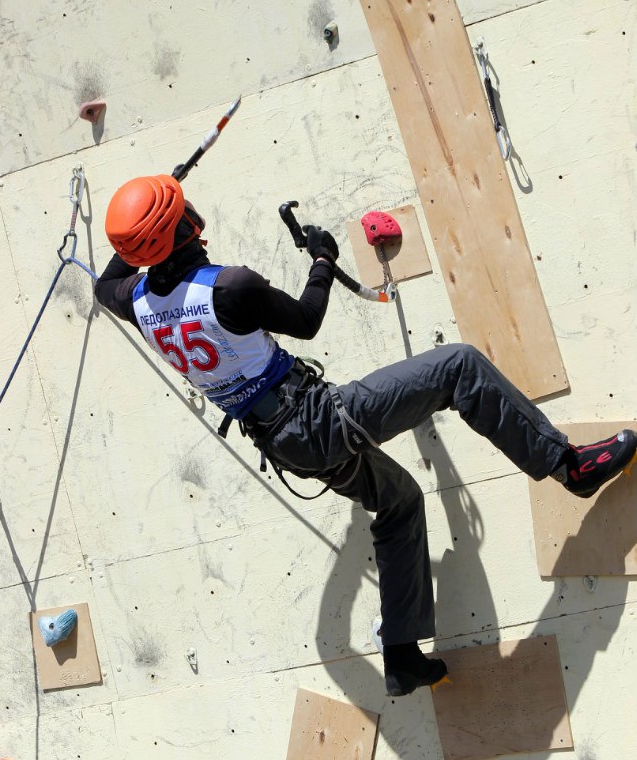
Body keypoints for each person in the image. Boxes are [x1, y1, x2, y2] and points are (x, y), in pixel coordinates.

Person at [95, 174, 637, 697]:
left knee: (400, 504)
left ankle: (401, 655)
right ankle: (569, 466)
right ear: (185, 226)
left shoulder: (137, 303)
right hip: (314, 418)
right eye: (180, 206)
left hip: (284, 446)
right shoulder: (229, 287)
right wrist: (324, 261)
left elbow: (103, 284)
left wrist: (139, 239)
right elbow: (307, 320)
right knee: (458, 367)